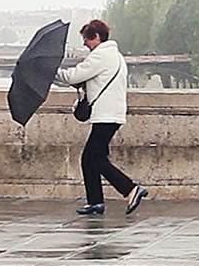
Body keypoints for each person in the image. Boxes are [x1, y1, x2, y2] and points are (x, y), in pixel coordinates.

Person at [56, 19, 147, 215]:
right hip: (112, 113)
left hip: (105, 115)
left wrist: (51, 72)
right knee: (90, 158)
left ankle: (130, 189)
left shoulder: (100, 56)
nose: (85, 44)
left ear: (96, 37)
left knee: (94, 158)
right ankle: (95, 202)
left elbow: (73, 76)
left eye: (86, 39)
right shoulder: (115, 55)